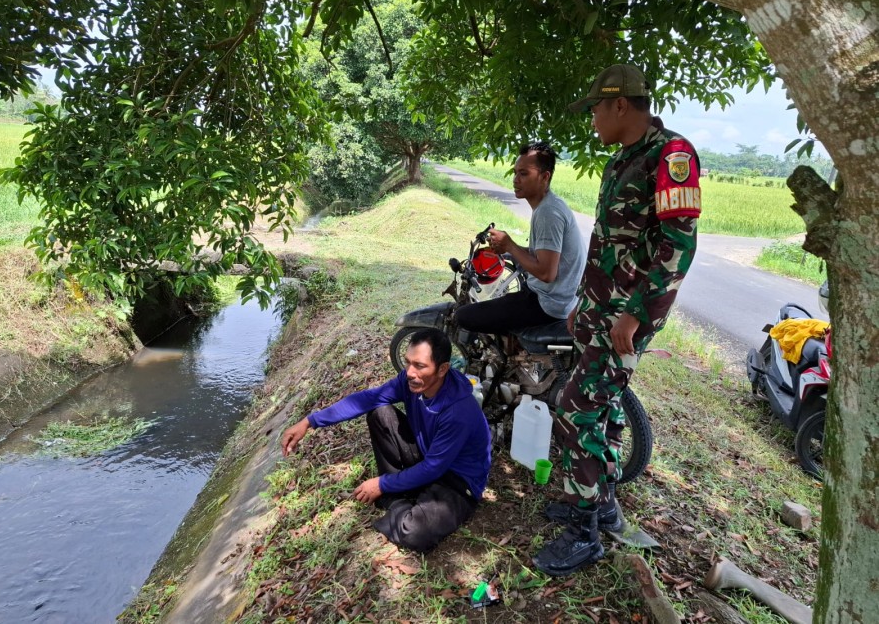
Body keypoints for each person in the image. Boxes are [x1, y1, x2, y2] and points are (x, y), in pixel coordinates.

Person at [533, 63, 701, 576]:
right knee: (600, 409)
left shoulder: (671, 156)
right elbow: (609, 245)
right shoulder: (623, 159)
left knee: (576, 409)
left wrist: (633, 316)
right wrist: (584, 308)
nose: (592, 121)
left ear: (620, 104)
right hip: (599, 312)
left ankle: (585, 531)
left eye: (595, 110)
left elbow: (678, 247)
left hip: (625, 318)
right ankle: (599, 502)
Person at [281, 327, 491, 553]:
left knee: (415, 533)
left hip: (457, 479)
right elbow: (367, 399)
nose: (410, 372)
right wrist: (310, 422)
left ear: (443, 369)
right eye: (408, 362)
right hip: (429, 453)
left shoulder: (458, 411)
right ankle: (399, 493)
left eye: (420, 366)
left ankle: (396, 499)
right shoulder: (411, 381)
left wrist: (381, 484)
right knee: (380, 413)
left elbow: (433, 468)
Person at [455, 141, 585, 334]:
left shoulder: (548, 212)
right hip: (551, 297)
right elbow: (542, 257)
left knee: (463, 316)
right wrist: (509, 248)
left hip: (548, 304)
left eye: (524, 173)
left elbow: (547, 273)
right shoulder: (548, 205)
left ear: (544, 176)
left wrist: (510, 246)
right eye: (515, 172)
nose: (516, 179)